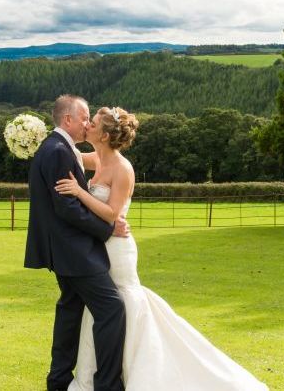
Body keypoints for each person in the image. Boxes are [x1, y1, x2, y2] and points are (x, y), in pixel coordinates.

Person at [54, 106, 269, 391]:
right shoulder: (96, 159)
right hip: (98, 245)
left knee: (122, 303)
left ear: (104, 135)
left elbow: (112, 214)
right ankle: (101, 376)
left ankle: (140, 369)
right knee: (102, 307)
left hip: (116, 248)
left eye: (92, 123)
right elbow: (67, 153)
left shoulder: (122, 168)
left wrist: (80, 192)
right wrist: (40, 138)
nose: (87, 126)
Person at [25, 94, 130, 391]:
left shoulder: (60, 147)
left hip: (67, 250)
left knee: (70, 311)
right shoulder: (59, 150)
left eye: (91, 121)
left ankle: (58, 380)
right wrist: (107, 228)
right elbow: (67, 208)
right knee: (111, 309)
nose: (87, 124)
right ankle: (107, 385)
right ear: (68, 119)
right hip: (75, 251)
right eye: (85, 118)